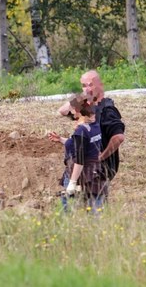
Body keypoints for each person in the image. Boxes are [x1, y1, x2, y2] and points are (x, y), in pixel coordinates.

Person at [58, 70, 125, 200]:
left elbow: (119, 137)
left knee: (93, 213)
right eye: (83, 85)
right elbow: (63, 111)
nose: (87, 89)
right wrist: (84, 95)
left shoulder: (107, 110)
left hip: (97, 172)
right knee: (76, 213)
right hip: (81, 170)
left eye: (90, 85)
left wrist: (102, 156)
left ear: (101, 85)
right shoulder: (87, 107)